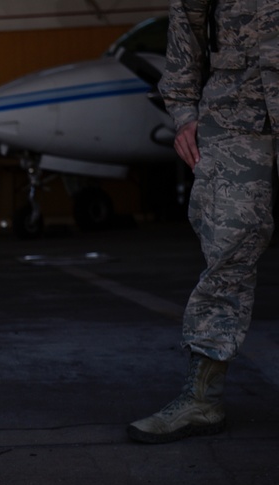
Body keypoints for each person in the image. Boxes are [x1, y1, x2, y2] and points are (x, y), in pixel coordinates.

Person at [127, 2, 278, 444]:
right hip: (234, 122)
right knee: (225, 258)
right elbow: (185, 35)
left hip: (235, 120)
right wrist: (184, 114)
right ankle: (201, 400)